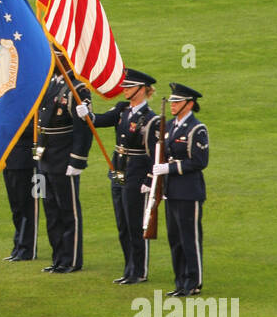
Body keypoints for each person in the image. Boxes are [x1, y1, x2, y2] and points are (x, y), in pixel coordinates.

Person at [80, 68, 158, 286]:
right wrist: (87, 114)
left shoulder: (150, 120)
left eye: (130, 87)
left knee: (135, 224)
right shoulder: (123, 110)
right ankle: (128, 267)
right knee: (122, 224)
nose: (125, 90)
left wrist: (150, 180)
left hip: (136, 174)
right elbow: (100, 120)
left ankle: (139, 270)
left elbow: (155, 154)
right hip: (118, 171)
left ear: (142, 90)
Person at [146, 84, 208, 297]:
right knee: (175, 238)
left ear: (189, 104)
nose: (173, 106)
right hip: (171, 190)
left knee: (189, 238)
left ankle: (193, 281)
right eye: (172, 102)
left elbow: (199, 162)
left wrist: (169, 168)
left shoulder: (196, 129)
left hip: (189, 191)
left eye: (177, 102)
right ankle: (180, 281)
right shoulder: (170, 126)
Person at [36, 60, 92, 273]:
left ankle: (72, 259)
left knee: (68, 211)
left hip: (64, 158)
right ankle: (58, 257)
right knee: (51, 210)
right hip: (46, 158)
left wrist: (77, 160)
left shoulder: (78, 88)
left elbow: (83, 129)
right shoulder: (50, 82)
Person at [2, 119, 35, 262]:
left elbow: (34, 129)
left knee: (26, 207)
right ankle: (18, 246)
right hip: (7, 160)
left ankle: (27, 249)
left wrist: (7, 125)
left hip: (25, 160)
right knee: (16, 207)